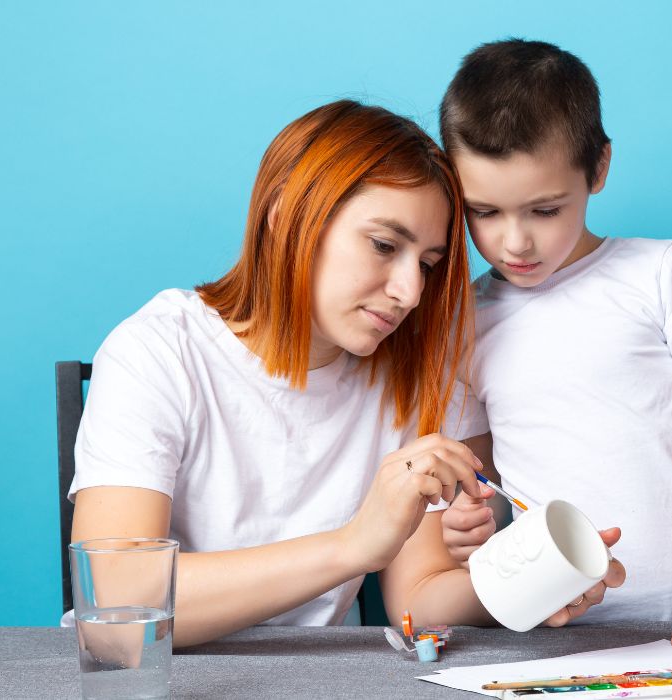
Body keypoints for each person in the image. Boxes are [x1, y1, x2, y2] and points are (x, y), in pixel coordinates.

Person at [68, 100, 625, 647]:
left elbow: (420, 598)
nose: (410, 292)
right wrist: (355, 545)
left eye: (428, 265)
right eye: (384, 245)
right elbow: (116, 611)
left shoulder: (417, 380)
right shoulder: (159, 351)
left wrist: (537, 584)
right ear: (285, 211)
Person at [435, 40, 672, 656]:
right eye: (482, 212)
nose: (515, 242)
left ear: (598, 169)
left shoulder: (661, 272)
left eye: (544, 209)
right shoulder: (464, 323)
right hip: (547, 629)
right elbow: (480, 484)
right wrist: (468, 525)